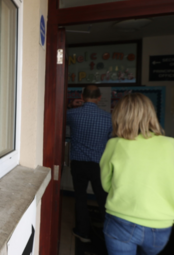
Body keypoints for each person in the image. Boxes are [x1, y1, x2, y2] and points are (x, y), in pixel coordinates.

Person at [100, 93, 174, 255]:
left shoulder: (114, 144)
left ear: (118, 117)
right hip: (161, 224)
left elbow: (106, 185)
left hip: (121, 220)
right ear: (151, 114)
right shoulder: (170, 144)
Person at [66, 85, 112, 243]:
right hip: (99, 164)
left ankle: (83, 232)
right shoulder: (108, 117)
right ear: (99, 98)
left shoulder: (71, 114)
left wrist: (71, 106)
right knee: (103, 198)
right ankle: (110, 234)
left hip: (78, 163)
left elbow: (60, 120)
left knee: (80, 197)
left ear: (82, 96)